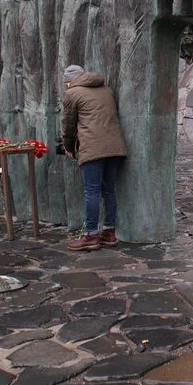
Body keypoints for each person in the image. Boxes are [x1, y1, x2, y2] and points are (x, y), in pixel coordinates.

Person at [61, 65, 127, 251]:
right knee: (109, 190)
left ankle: (91, 235)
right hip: (115, 146)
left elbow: (68, 125)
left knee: (92, 191)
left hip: (92, 148)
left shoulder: (72, 93)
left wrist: (68, 147)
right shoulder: (106, 89)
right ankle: (109, 232)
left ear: (68, 81)